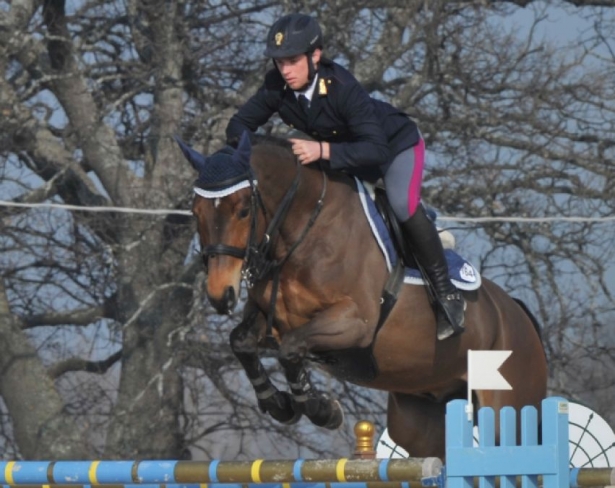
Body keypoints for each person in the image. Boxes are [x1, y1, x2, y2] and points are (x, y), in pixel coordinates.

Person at [225, 13, 465, 340]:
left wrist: (323, 151)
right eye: (279, 62)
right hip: (344, 154)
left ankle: (445, 292)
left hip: (394, 149)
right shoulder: (275, 86)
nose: (285, 70)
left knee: (400, 203)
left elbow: (376, 150)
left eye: (293, 61)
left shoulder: (342, 88)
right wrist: (265, 153)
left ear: (315, 56)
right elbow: (236, 128)